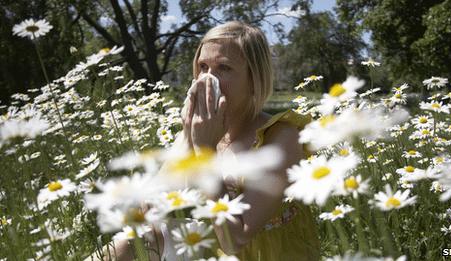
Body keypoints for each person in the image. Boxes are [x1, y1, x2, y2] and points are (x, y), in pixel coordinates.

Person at [91, 21, 320, 261]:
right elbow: (150, 207)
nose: (207, 80)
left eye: (224, 68)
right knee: (129, 243)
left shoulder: (280, 137)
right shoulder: (203, 130)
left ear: (253, 78)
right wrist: (189, 137)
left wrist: (206, 152)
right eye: (203, 67)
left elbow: (235, 240)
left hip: (266, 254)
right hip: (214, 248)